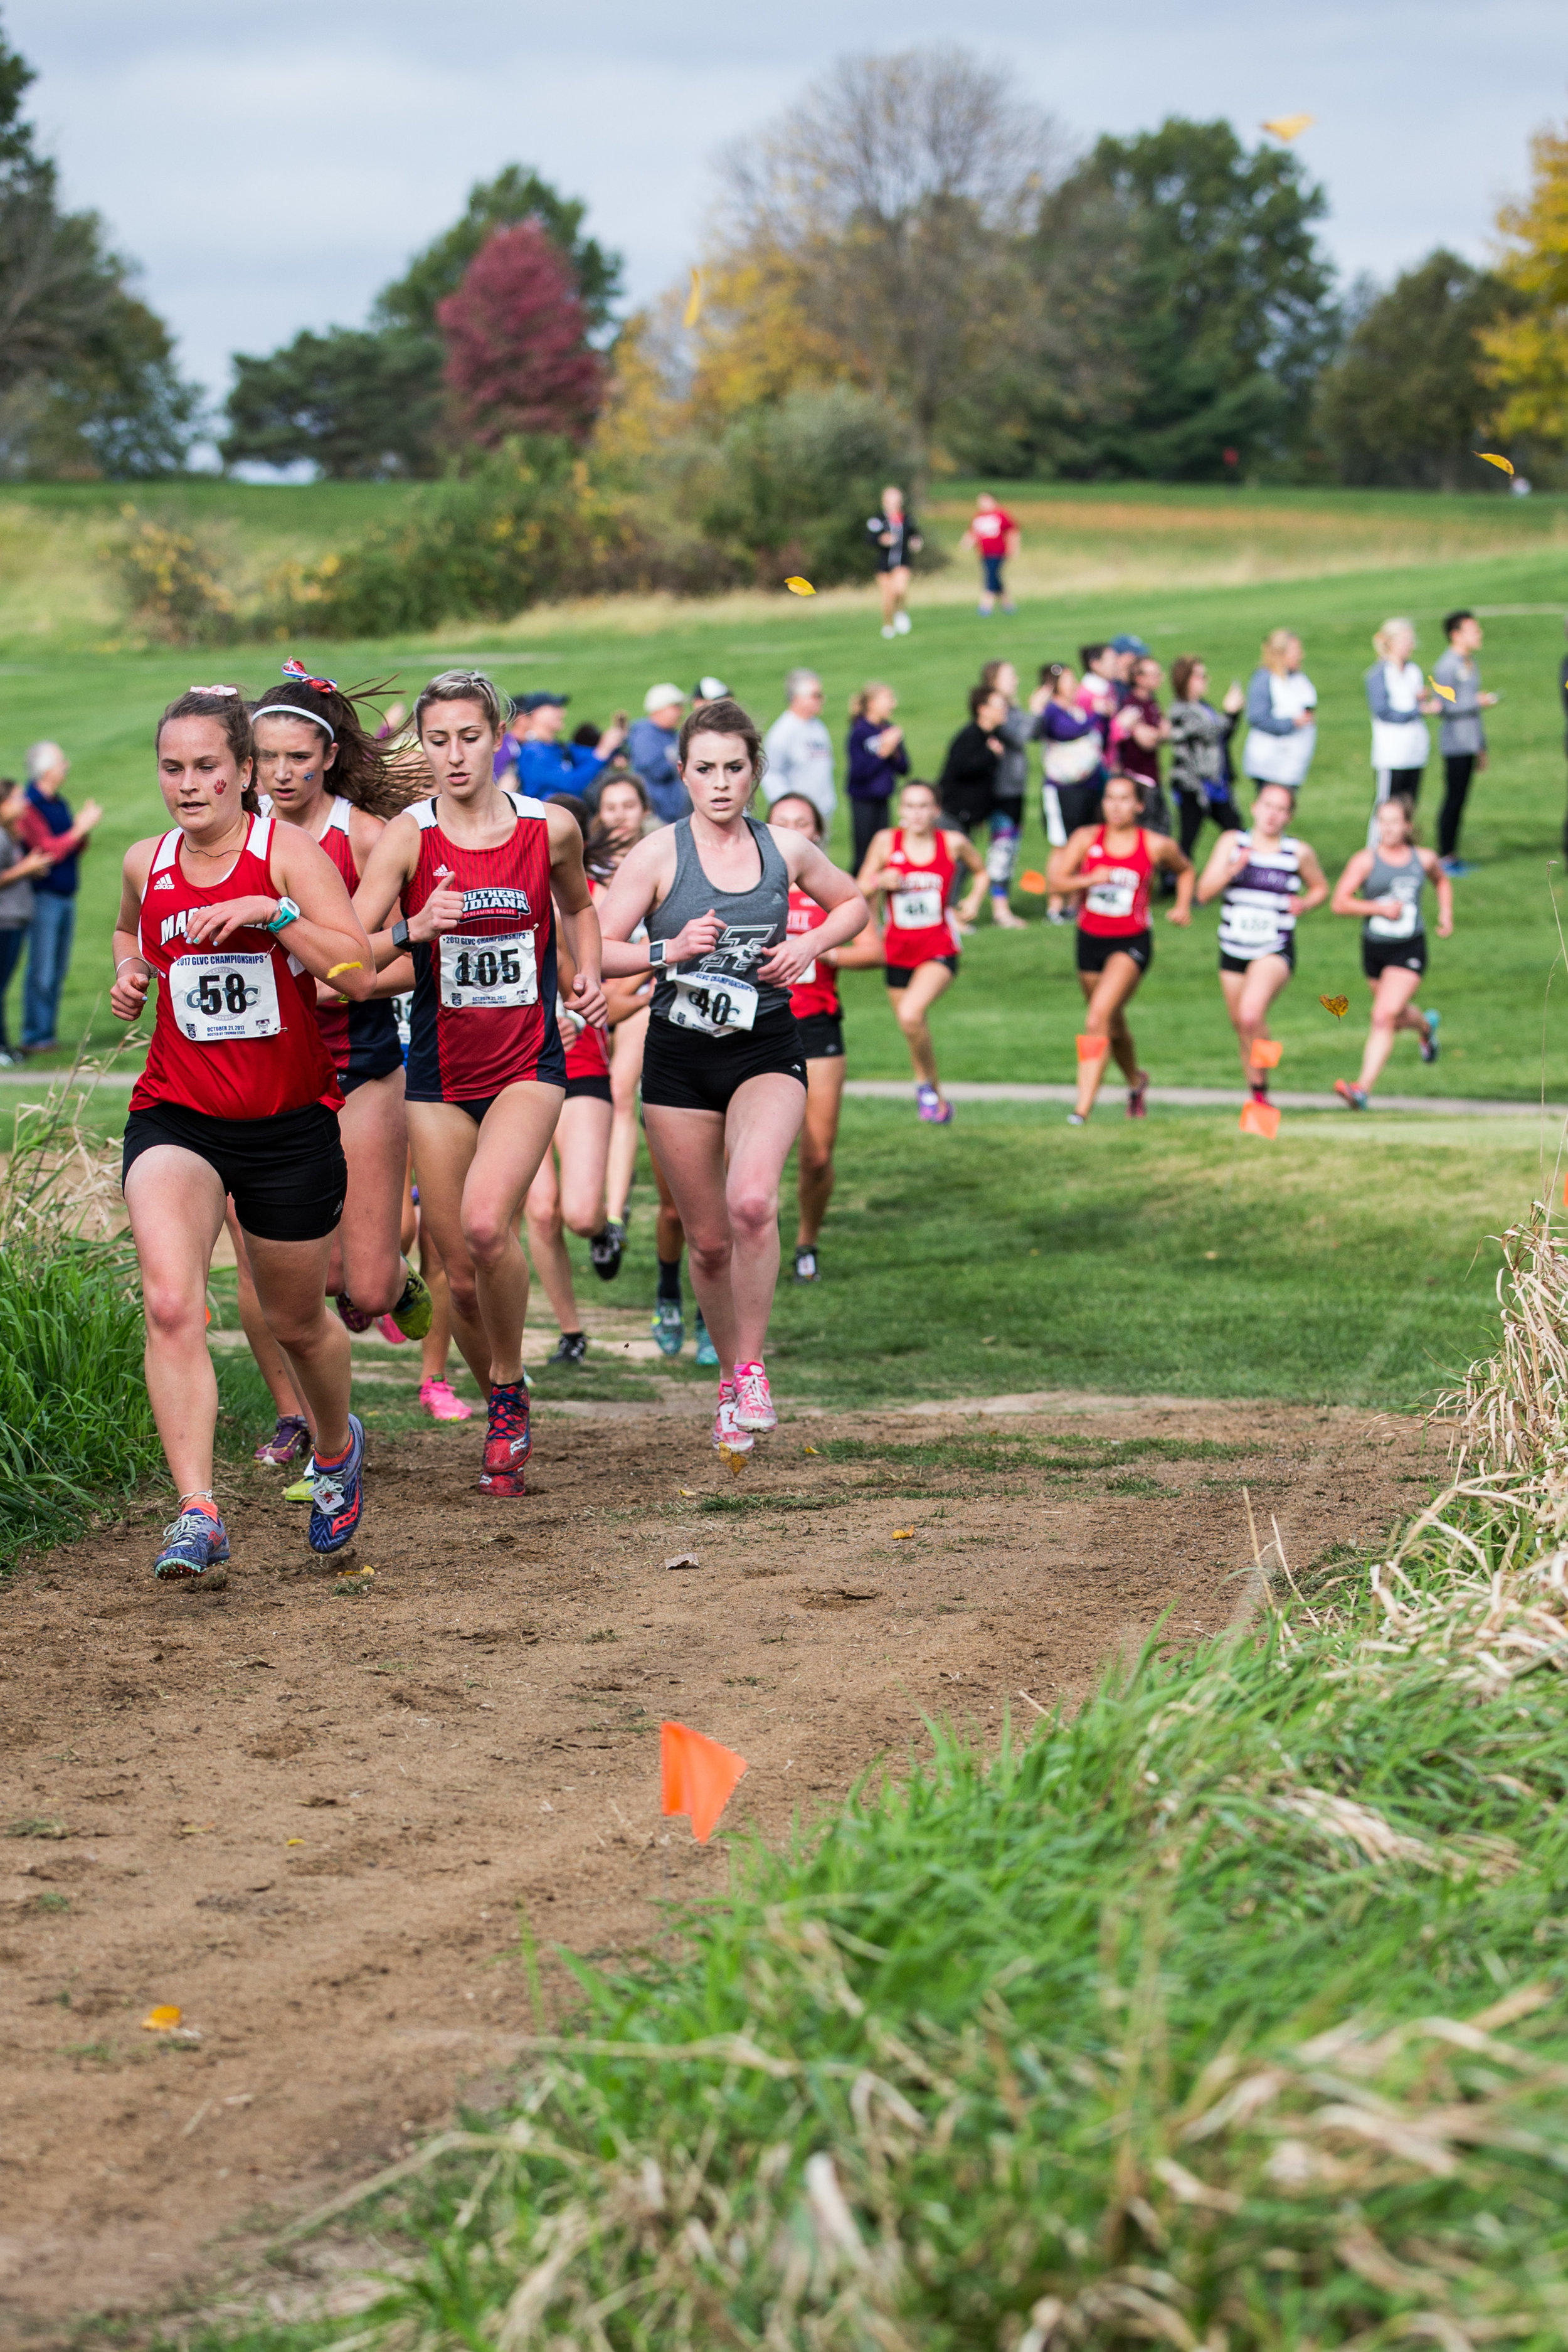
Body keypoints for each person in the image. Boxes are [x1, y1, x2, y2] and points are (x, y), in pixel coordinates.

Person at [110, 685, 381, 1578]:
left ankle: (337, 1449)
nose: (189, 786)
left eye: (207, 768)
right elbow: (128, 933)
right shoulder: (145, 861)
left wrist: (278, 914)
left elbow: (357, 970)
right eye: (173, 768)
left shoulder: (287, 853)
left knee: (299, 1321)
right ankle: (197, 1509)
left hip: (287, 1124)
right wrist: (128, 975)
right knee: (172, 1301)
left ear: (244, 772)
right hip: (177, 1112)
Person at [352, 669, 606, 1500]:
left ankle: (505, 1386)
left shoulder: (550, 827)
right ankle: (508, 1393)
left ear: (499, 736)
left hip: (529, 1062)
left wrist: (590, 974)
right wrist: (411, 929)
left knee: (489, 1225)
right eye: (437, 739)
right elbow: (347, 949)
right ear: (420, 748)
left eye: (469, 737)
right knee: (458, 1270)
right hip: (437, 1071)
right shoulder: (409, 836)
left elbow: (578, 906)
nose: (454, 754)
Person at [598, 697, 868, 1453]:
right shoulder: (657, 856)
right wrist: (669, 950)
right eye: (705, 769)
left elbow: (853, 903)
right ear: (681, 774)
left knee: (752, 1202)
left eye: (735, 769)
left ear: (755, 772)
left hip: (766, 1048)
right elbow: (596, 948)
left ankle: (751, 1371)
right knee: (707, 1241)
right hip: (679, 1060)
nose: (721, 784)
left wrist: (808, 948)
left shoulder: (784, 849)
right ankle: (726, 1384)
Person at [249, 660, 432, 1360]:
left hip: (359, 1062)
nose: (282, 773)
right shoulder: (238, 835)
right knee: (317, 1278)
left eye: (299, 757)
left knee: (372, 1290)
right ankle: (309, 1419)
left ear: (330, 756)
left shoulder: (366, 838)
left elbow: (419, 957)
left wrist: (349, 980)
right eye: (267, 758)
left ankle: (397, 1276)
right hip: (272, 1069)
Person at [523, 799, 647, 1363]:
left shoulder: (582, 906)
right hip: (513, 1065)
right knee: (541, 1210)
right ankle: (571, 1332)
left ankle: (602, 1228)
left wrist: (570, 1017)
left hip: (579, 1064)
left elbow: (590, 984)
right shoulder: (496, 897)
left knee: (577, 1213)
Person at [768, 791, 881, 1280]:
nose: (793, 828)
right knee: (751, 1154)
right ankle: (753, 1244)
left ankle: (807, 1243)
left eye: (802, 821)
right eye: (783, 821)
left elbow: (873, 950)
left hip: (817, 1027)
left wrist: (819, 950)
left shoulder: (831, 890)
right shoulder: (748, 886)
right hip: (758, 1024)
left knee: (816, 1153)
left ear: (816, 833)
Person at [1047, 770, 1194, 1125]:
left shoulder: (1155, 844)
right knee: (1111, 1023)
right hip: (1090, 940)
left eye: (1125, 799)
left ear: (1139, 806)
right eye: (1110, 798)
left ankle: (1081, 1109)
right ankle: (1135, 1082)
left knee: (1096, 1017)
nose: (1116, 806)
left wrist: (1182, 905)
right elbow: (1056, 880)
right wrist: (1087, 879)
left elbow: (1186, 870)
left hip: (1131, 942)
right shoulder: (1086, 838)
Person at [857, 776, 986, 1125]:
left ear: (936, 811)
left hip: (939, 949)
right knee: (912, 1026)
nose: (916, 813)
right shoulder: (886, 842)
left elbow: (981, 871)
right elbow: (858, 887)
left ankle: (922, 1085)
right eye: (910, 806)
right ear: (901, 810)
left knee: (912, 1014)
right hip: (897, 950)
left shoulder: (952, 843)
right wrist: (878, 881)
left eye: (923, 806)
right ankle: (937, 1098)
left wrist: (973, 899)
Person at [1195, 782, 1329, 1103]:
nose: (1273, 815)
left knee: (1252, 1015)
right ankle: (1258, 1094)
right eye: (1268, 806)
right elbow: (1203, 894)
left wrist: (1305, 904)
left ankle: (1262, 1090)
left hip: (1273, 947)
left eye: (1281, 809)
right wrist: (1232, 869)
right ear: (1255, 807)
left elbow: (1320, 888)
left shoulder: (1297, 852)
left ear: (1290, 816)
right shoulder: (1232, 843)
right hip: (1233, 946)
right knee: (1242, 1026)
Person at [1329, 798, 1451, 1110]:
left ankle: (1361, 1089)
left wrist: (1445, 914)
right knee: (1393, 1018)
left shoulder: (1422, 859)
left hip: (1409, 949)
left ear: (1408, 826)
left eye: (1395, 822)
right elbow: (1339, 902)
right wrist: (1377, 908)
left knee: (1382, 1016)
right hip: (1374, 949)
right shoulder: (1365, 861)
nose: (1388, 828)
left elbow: (1441, 880)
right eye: (1382, 821)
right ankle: (1426, 1027)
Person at [15, 741, 103, 1055]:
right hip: (43, 897)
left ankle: (46, 1034)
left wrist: (78, 834)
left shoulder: (56, 802)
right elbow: (47, 851)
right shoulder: (31, 805)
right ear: (48, 770)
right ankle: (35, 1035)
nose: (66, 766)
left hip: (64, 894)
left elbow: (70, 846)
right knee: (42, 968)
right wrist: (80, 828)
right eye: (61, 762)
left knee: (57, 967)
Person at [1034, 663, 1105, 919]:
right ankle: (1055, 905)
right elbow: (1068, 733)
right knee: (1062, 846)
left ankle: (1076, 904)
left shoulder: (1076, 709)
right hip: (1062, 790)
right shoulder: (1052, 712)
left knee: (1082, 844)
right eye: (1068, 679)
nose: (1074, 683)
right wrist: (1097, 716)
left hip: (1088, 787)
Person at [1431, 610, 1498, 872]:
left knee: (1461, 799)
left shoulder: (1470, 663)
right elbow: (1444, 707)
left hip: (1470, 742)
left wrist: (1482, 746)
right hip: (1455, 743)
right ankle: (1445, 856)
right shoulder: (1446, 666)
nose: (1479, 634)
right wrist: (1476, 702)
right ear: (1456, 635)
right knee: (1453, 799)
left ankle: (1453, 854)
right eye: (1473, 630)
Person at [1364, 618, 1440, 826]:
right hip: (1392, 755)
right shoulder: (1378, 674)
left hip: (1414, 752)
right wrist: (1418, 710)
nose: (1411, 645)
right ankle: (1376, 852)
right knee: (1386, 807)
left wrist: (1421, 701)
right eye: (1406, 640)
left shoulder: (1413, 671)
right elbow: (1383, 711)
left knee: (1408, 809)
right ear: (1391, 642)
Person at [1167, 656, 1246, 857]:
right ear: (1186, 680)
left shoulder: (1204, 707)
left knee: (1236, 831)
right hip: (1193, 786)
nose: (1206, 680)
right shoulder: (1180, 711)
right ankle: (1173, 878)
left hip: (1215, 784)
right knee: (1189, 836)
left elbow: (1223, 736)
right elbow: (1210, 733)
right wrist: (1229, 712)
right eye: (1201, 676)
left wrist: (1234, 714)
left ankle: (1245, 869)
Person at [978, 659, 1030, 928]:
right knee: (1002, 848)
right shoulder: (998, 711)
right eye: (1011, 675)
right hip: (1001, 792)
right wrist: (1038, 710)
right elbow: (1023, 736)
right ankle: (999, 910)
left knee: (1009, 848)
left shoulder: (1012, 707)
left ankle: (1001, 905)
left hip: (1014, 789)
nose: (1017, 680)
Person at [0, 784, 50, 1065]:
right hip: (4, 921)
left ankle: (5, 1046)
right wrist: (25, 869)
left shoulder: (9, 833)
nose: (23, 803)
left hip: (13, 920)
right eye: (17, 798)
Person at [937, 684, 1007, 866]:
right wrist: (990, 755)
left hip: (966, 817)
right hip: (953, 815)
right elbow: (963, 768)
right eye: (999, 705)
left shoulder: (990, 736)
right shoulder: (970, 737)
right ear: (982, 710)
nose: (1004, 709)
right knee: (954, 868)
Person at [512, 692, 628, 801]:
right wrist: (603, 752)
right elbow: (571, 784)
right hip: (550, 820)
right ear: (537, 714)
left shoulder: (557, 747)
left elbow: (590, 756)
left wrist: (613, 753)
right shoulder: (534, 753)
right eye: (555, 708)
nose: (562, 713)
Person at [1242, 630, 1317, 797]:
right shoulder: (1264, 679)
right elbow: (1257, 717)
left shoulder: (1298, 678)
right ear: (1280, 653)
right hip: (1271, 763)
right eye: (1296, 651)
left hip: (1292, 763)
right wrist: (1291, 723)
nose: (1301, 655)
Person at [846, 682, 909, 872]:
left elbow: (904, 768)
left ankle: (876, 899)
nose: (893, 704)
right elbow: (859, 772)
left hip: (883, 799)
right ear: (872, 703)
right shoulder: (859, 732)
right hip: (863, 800)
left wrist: (895, 750)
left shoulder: (889, 730)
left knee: (883, 854)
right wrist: (884, 751)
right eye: (889, 700)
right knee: (863, 855)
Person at [762, 670, 836, 826]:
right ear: (797, 698)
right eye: (816, 695)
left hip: (821, 816)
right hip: (798, 822)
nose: (822, 699)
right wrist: (789, 808)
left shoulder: (818, 726)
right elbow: (771, 773)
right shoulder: (784, 731)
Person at [626, 686, 690, 823]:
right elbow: (656, 771)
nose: (681, 712)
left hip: (675, 814)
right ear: (660, 709)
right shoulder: (645, 737)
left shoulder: (670, 733)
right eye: (676, 707)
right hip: (659, 816)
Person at [866, 485, 921, 638]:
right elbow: (869, 538)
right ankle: (888, 624)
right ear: (884, 501)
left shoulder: (907, 518)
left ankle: (901, 612)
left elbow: (915, 534)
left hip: (902, 561)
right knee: (888, 596)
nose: (894, 503)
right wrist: (881, 540)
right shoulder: (877, 520)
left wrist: (916, 541)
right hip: (884, 563)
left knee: (900, 590)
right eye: (891, 500)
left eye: (897, 499)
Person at [963, 492, 1020, 617]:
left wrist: (1014, 548)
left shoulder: (1001, 514)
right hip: (984, 553)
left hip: (999, 552)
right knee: (995, 578)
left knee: (991, 576)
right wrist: (967, 542)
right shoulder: (978, 517)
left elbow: (1013, 531)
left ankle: (985, 606)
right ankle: (1008, 605)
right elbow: (973, 532)